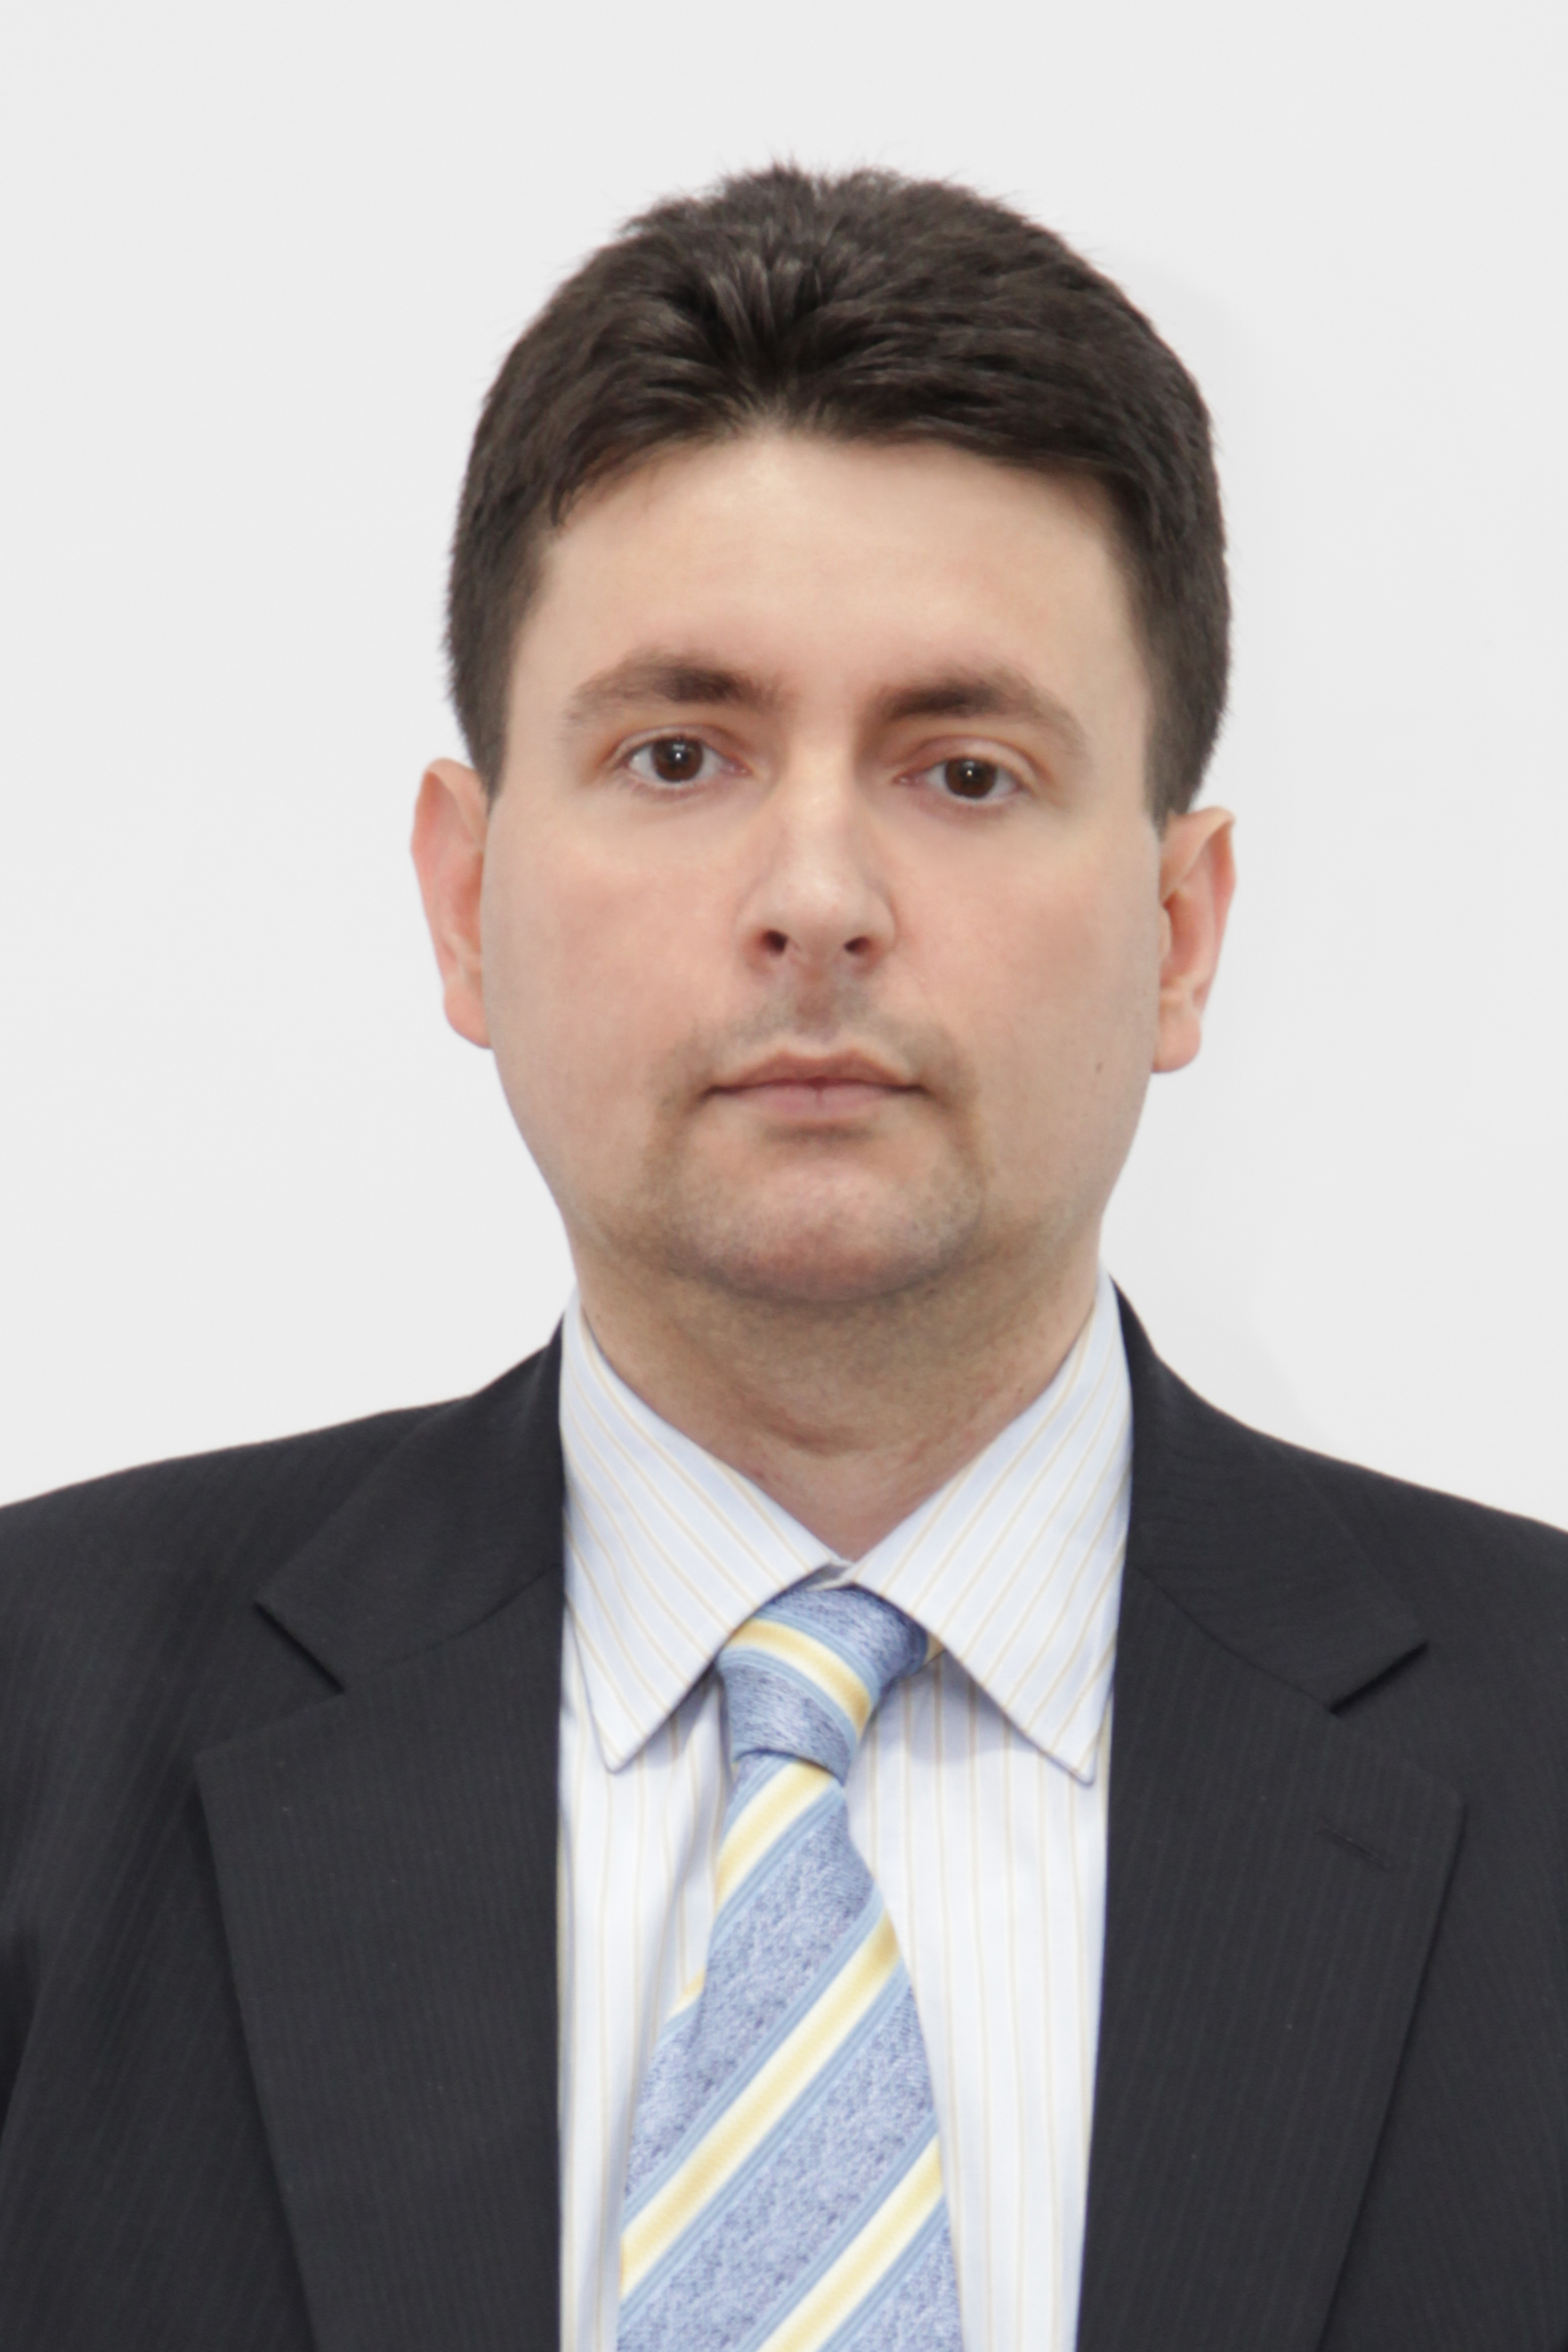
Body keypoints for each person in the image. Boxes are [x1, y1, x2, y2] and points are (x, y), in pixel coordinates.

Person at [1, 164, 1564, 2352]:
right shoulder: (38, 1720)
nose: (815, 893)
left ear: (1177, 930)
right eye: (676, 752)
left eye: (963, 769)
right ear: (463, 900)